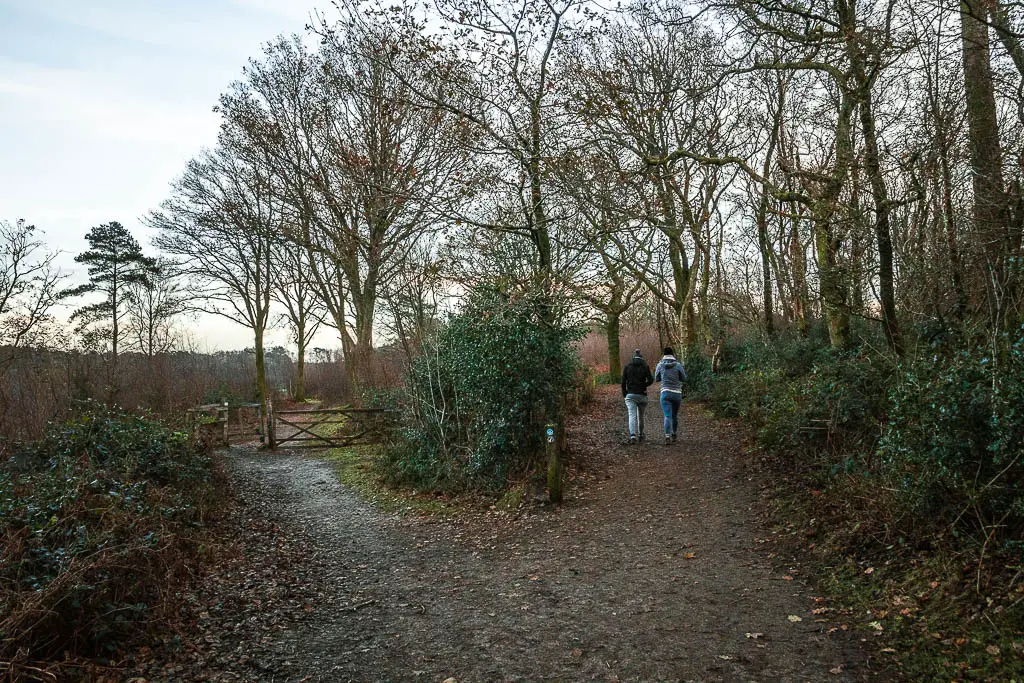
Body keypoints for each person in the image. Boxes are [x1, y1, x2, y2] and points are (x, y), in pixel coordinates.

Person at [655, 346, 687, 444]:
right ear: (672, 354)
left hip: (665, 393)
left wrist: (663, 376)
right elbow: (684, 378)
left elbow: (656, 378)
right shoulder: (678, 365)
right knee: (674, 416)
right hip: (677, 393)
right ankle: (674, 434)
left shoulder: (660, 365)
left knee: (667, 415)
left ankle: (667, 436)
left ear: (664, 355)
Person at [621, 348, 653, 445]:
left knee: (632, 415)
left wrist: (625, 393)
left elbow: (623, 382)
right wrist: (644, 385)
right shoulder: (645, 366)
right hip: (642, 394)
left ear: (633, 357)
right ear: (641, 357)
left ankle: (632, 436)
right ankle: (641, 434)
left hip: (630, 394)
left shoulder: (627, 367)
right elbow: (651, 380)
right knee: (641, 416)